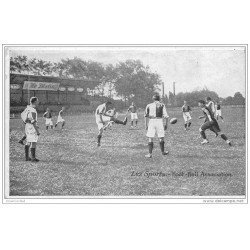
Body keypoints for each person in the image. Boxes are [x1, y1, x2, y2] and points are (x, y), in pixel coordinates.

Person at [144, 94, 169, 158]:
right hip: (159, 121)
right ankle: (163, 152)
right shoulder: (162, 105)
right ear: (159, 99)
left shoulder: (149, 105)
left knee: (150, 137)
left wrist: (146, 124)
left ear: (153, 99)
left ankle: (150, 154)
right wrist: (166, 124)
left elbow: (146, 116)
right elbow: (166, 116)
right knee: (161, 137)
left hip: (151, 121)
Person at [22, 97, 40, 162]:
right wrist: (37, 131)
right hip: (32, 127)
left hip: (27, 126)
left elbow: (24, 118)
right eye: (37, 101)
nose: (38, 102)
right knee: (34, 142)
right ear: (35, 102)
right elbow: (33, 121)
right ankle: (33, 158)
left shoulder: (27, 109)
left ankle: (27, 158)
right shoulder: (33, 110)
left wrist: (28, 122)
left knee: (28, 141)